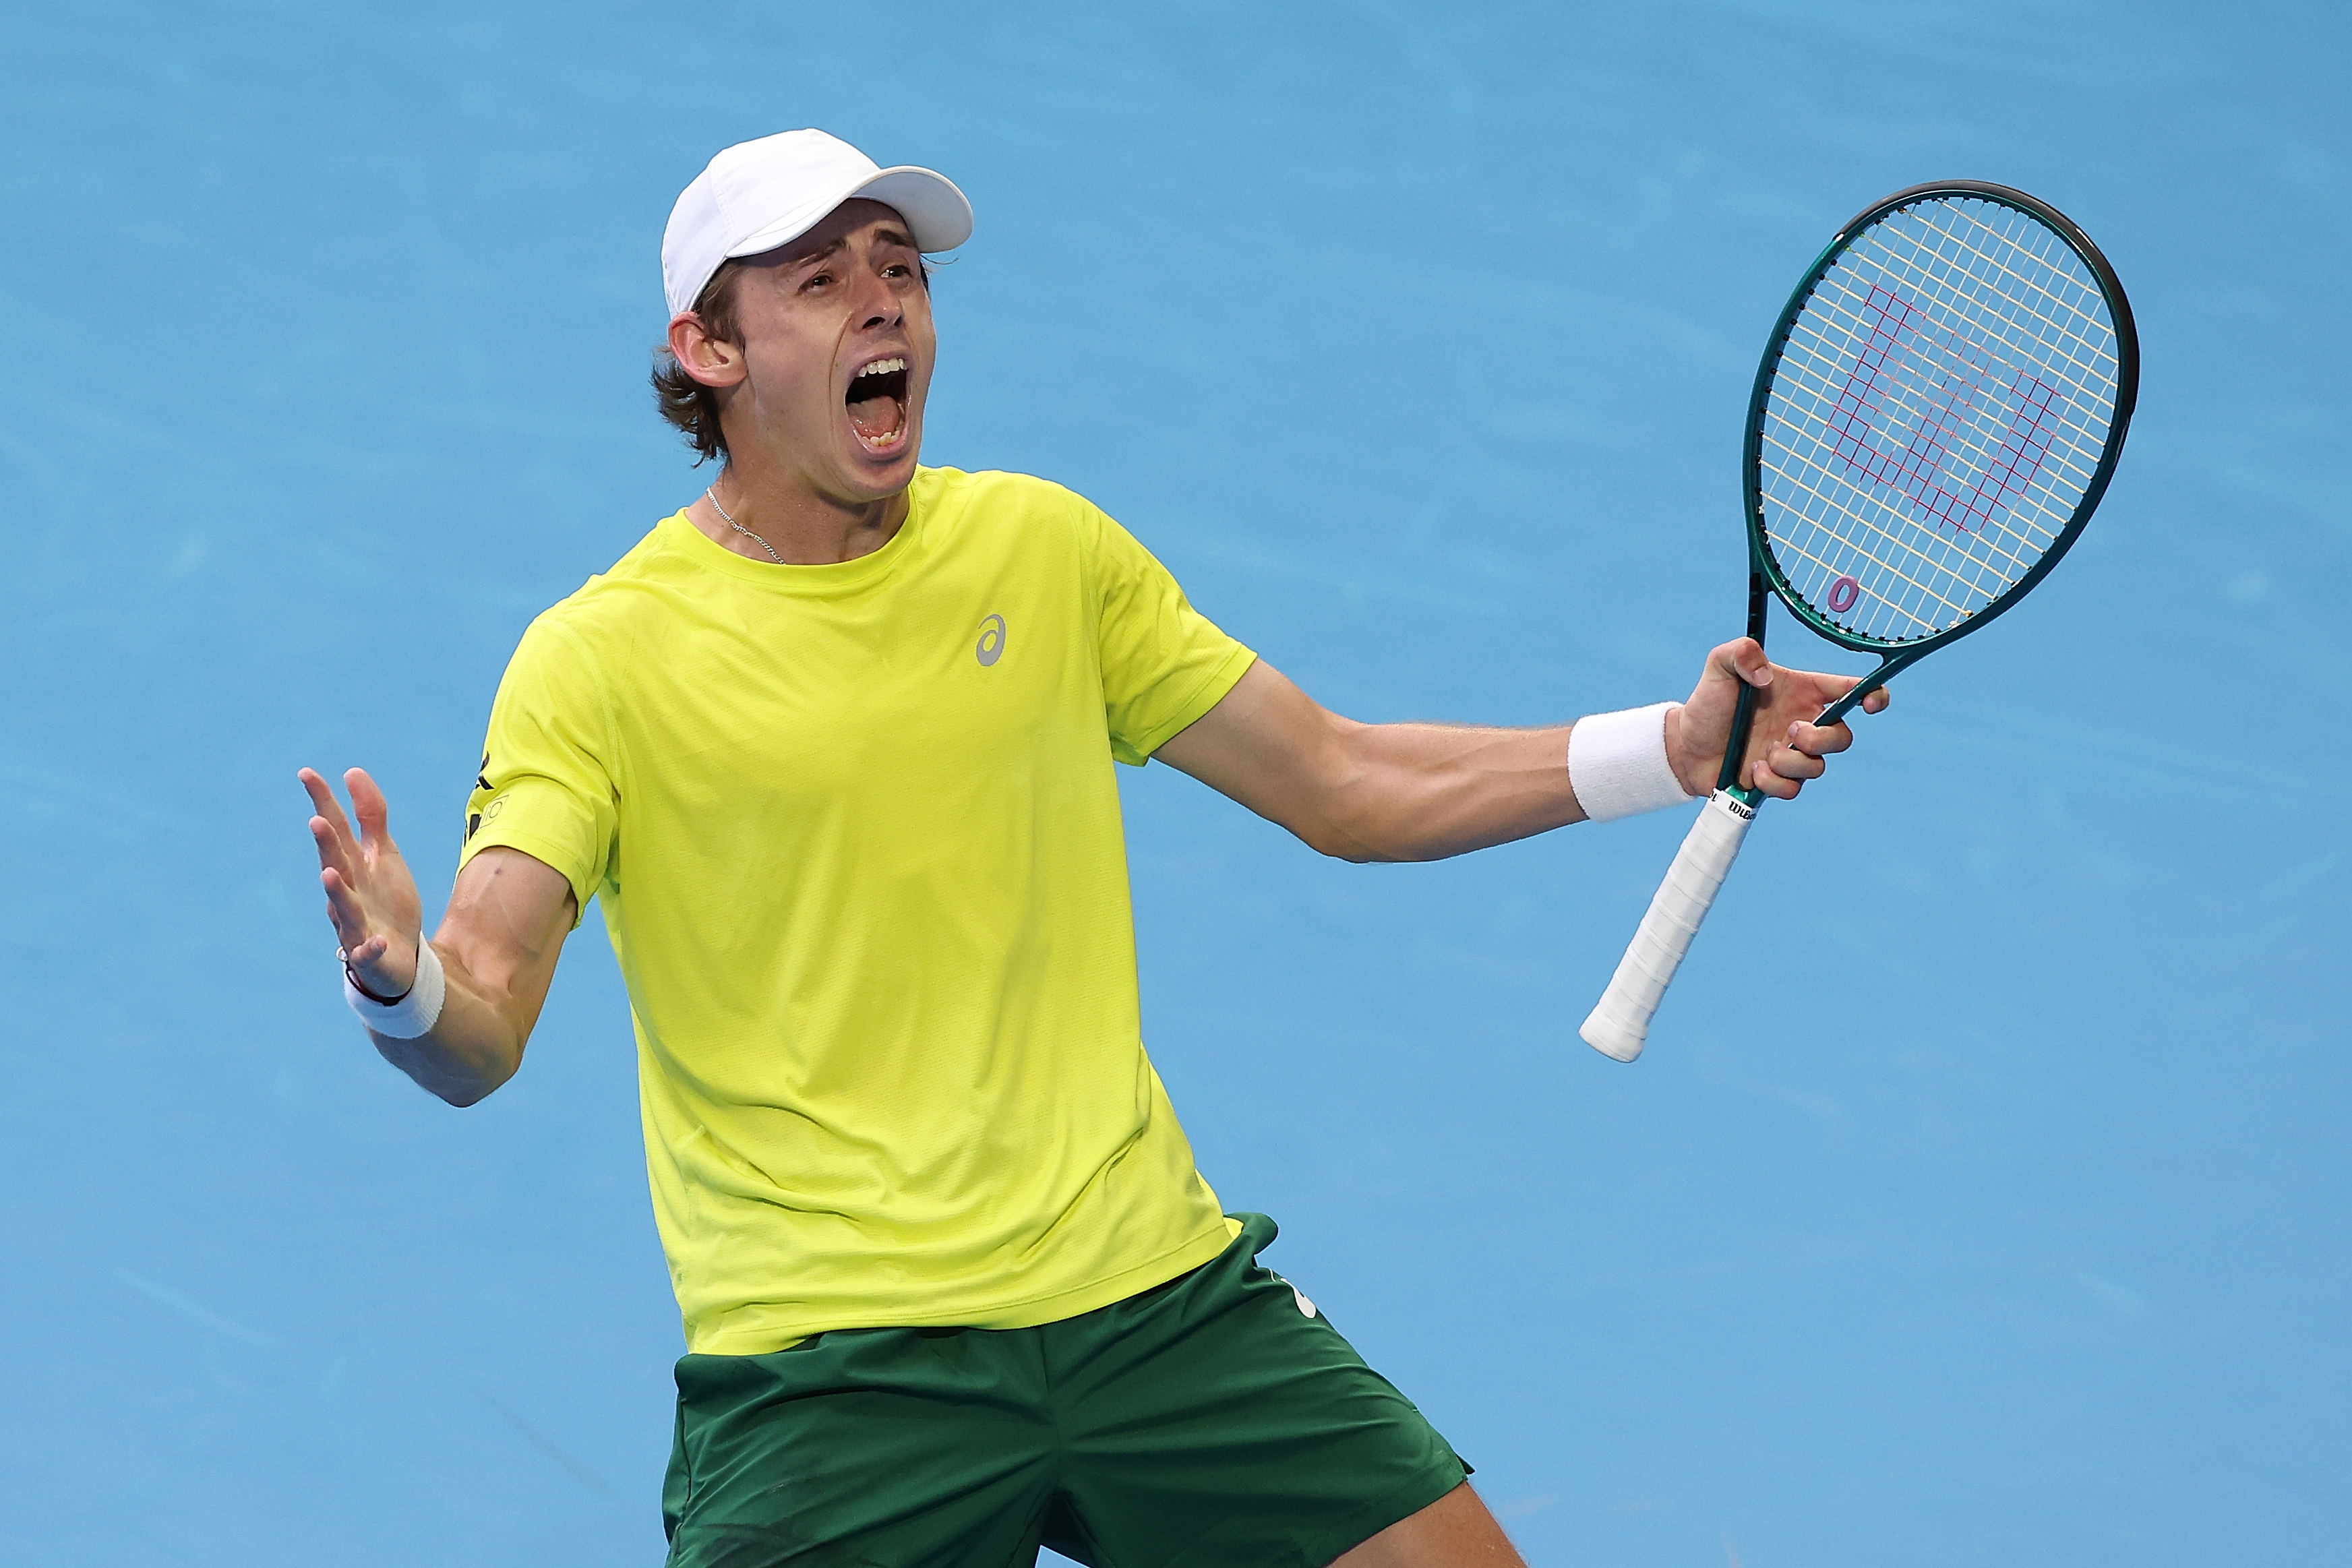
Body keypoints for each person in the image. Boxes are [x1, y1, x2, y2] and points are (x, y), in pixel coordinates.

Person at [299, 129, 1887, 1567]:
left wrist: (1671, 752)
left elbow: (1339, 780)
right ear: (707, 350)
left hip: (1149, 1303)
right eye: (819, 281)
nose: (883, 309)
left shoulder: (1042, 551)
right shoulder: (600, 658)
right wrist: (399, 982)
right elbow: (481, 1018)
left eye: (901, 273)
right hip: (835, 1359)